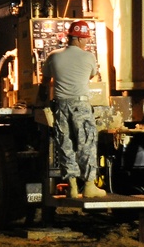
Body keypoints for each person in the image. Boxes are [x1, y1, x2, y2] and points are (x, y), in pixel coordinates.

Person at [40, 20, 106, 198]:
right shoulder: (89, 57)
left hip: (60, 105)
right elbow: (92, 75)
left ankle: (72, 187)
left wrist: (42, 101)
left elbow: (45, 81)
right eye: (84, 39)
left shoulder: (53, 56)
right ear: (77, 38)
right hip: (81, 105)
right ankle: (90, 186)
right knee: (86, 143)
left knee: (65, 145)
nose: (86, 42)